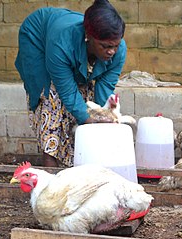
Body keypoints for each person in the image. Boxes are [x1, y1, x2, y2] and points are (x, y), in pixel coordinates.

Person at [15, 0, 126, 167]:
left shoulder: (118, 48)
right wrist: (88, 120)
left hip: (70, 45)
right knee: (50, 99)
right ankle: (50, 173)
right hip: (37, 39)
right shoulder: (61, 43)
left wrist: (102, 114)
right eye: (105, 46)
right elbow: (66, 90)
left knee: (85, 99)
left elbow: (105, 85)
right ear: (88, 37)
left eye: (115, 46)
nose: (112, 51)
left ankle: (75, 166)